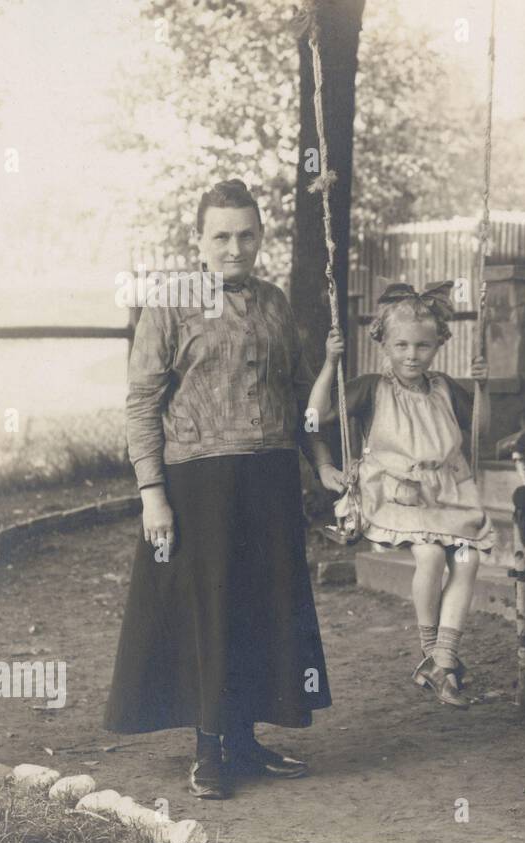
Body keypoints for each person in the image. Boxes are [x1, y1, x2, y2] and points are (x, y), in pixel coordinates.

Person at [106, 179, 332, 800]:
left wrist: (323, 463)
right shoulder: (169, 304)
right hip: (198, 481)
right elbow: (142, 401)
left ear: (261, 236)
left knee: (262, 605)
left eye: (247, 234)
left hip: (271, 477)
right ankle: (209, 750)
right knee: (210, 611)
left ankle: (247, 740)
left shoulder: (276, 303)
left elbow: (299, 389)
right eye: (223, 236)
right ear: (199, 241)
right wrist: (152, 491)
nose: (236, 247)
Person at [310, 282, 493, 709]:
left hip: (448, 489)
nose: (413, 355)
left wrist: (484, 389)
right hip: (394, 490)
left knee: (468, 559)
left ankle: (442, 660)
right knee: (430, 556)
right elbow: (313, 417)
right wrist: (330, 361)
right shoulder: (372, 387)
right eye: (403, 345)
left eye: (423, 346)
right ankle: (433, 651)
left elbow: (481, 431)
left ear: (438, 345)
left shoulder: (445, 387)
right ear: (384, 345)